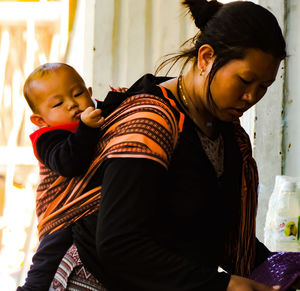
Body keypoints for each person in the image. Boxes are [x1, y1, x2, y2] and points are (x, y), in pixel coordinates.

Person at [44, 0, 292, 290]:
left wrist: (282, 267)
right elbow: (118, 244)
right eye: (245, 81)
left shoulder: (227, 134)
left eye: (264, 87)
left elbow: (214, 231)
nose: (251, 97)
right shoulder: (151, 122)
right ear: (206, 58)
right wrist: (221, 285)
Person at [17, 63, 105, 290]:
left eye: (78, 94)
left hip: (85, 212)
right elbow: (68, 163)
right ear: (40, 120)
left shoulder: (95, 117)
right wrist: (86, 129)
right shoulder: (47, 138)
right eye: (58, 103)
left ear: (90, 93)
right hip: (58, 213)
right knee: (49, 258)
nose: (72, 104)